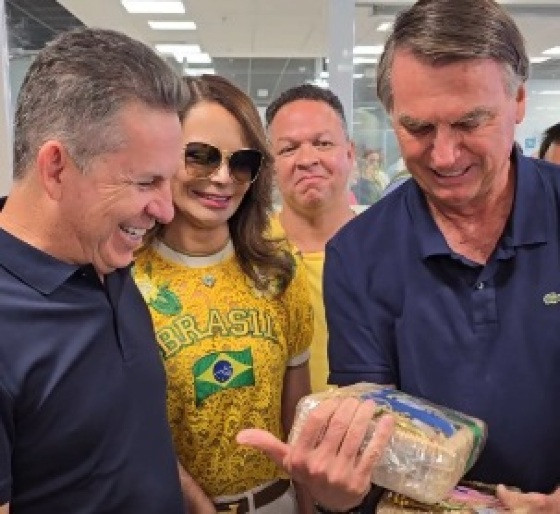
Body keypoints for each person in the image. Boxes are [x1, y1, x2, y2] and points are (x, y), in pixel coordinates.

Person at [323, 0, 560, 511]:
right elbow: (372, 437)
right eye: (419, 129)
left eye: (470, 122)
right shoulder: (357, 255)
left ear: (519, 101)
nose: (445, 156)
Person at [0, 28, 188, 513]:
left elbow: (123, 435)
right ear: (57, 169)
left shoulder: (106, 257)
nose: (166, 210)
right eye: (146, 181)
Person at [132, 74, 314, 513]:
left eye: (242, 162)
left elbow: (298, 422)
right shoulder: (124, 280)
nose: (221, 178)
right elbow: (127, 430)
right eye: (199, 156)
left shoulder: (277, 272)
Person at [265, 84, 356, 392]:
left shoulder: (385, 248)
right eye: (288, 149)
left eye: (323, 143)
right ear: (272, 166)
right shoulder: (249, 252)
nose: (307, 159)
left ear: (350, 153)